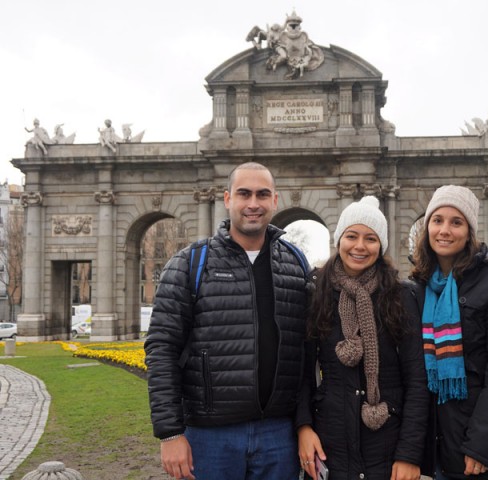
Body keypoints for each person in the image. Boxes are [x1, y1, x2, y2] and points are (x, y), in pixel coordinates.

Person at [144, 162, 309, 480]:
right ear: (227, 198)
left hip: (279, 432)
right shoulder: (189, 263)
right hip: (209, 435)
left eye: (262, 194)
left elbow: (306, 353)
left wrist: (305, 425)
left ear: (275, 200)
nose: (253, 204)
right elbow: (161, 349)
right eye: (243, 193)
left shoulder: (296, 264)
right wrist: (169, 433)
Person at [296, 196, 429, 480]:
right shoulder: (315, 294)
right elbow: (302, 373)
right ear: (339, 239)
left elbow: (417, 380)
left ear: (381, 246)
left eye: (370, 238)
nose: (359, 246)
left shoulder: (402, 296)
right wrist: (304, 427)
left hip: (388, 443)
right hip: (329, 439)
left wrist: (409, 454)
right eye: (351, 236)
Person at [409, 185, 488, 480]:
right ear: (426, 226)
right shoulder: (420, 287)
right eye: (437, 220)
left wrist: (482, 446)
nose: (445, 230)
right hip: (443, 446)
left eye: (457, 222)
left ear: (470, 231)